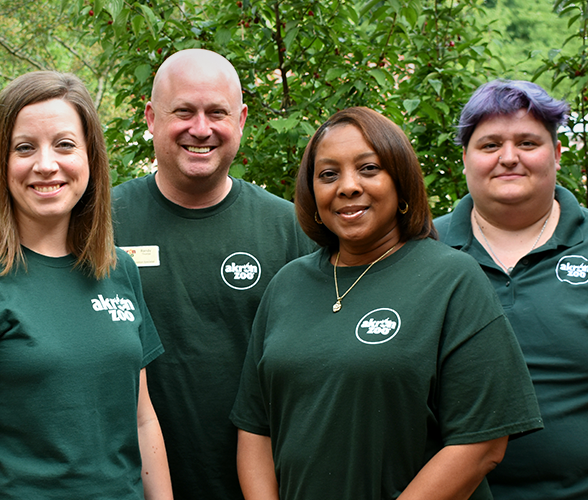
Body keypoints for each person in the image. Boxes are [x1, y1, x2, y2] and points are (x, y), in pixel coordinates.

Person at [231, 106, 542, 500]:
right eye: (328, 174)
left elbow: (482, 444)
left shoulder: (452, 280)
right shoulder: (287, 284)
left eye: (368, 168)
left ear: (401, 182)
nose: (347, 186)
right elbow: (255, 426)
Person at [0, 71, 172, 499]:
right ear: (2, 163)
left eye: (64, 144)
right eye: (24, 148)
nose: (45, 164)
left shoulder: (119, 269)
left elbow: (142, 419)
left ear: (90, 157)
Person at [111, 48, 318, 500]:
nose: (200, 129)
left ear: (241, 119)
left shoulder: (291, 229)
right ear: (150, 117)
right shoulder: (99, 224)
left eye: (217, 113)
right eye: (183, 111)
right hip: (128, 485)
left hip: (265, 485)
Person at [433, 79, 588, 500]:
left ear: (557, 153)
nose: (509, 158)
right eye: (489, 145)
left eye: (528, 143)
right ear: (465, 159)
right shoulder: (420, 252)